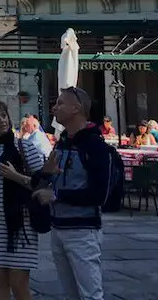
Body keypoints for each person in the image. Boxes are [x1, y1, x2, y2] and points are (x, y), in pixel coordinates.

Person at [33, 87, 114, 300]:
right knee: (71, 294)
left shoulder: (95, 146)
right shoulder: (62, 143)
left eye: (60, 103)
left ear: (76, 108)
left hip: (82, 230)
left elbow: (99, 195)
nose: (54, 107)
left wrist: (57, 196)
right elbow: (43, 181)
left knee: (90, 295)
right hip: (58, 228)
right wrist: (44, 173)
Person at [0, 100, 45, 300]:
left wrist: (16, 176)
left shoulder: (23, 146)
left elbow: (42, 185)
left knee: (19, 282)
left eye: (4, 115)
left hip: (21, 223)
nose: (2, 120)